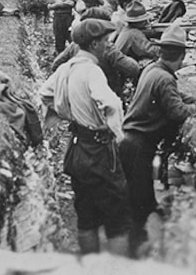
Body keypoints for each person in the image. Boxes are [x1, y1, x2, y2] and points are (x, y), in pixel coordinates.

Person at [119, 24, 196, 257]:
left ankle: (140, 240)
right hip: (138, 145)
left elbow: (175, 96)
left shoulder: (153, 69)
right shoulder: (164, 79)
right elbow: (178, 112)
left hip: (131, 142)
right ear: (181, 57)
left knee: (142, 197)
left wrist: (194, 98)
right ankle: (134, 253)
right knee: (138, 205)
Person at [39, 18, 132, 256]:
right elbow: (111, 103)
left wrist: (68, 114)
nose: (106, 46)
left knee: (86, 216)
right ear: (93, 44)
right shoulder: (92, 71)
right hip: (99, 151)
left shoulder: (64, 69)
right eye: (104, 42)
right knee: (117, 219)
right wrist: (118, 134)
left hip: (76, 148)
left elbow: (44, 94)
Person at [53, 8, 140, 98]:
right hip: (106, 98)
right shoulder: (107, 49)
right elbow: (133, 69)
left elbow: (56, 65)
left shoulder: (74, 45)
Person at [114, 0, 160, 65]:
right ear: (138, 22)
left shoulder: (126, 29)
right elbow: (152, 51)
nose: (146, 22)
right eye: (143, 20)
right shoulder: (135, 33)